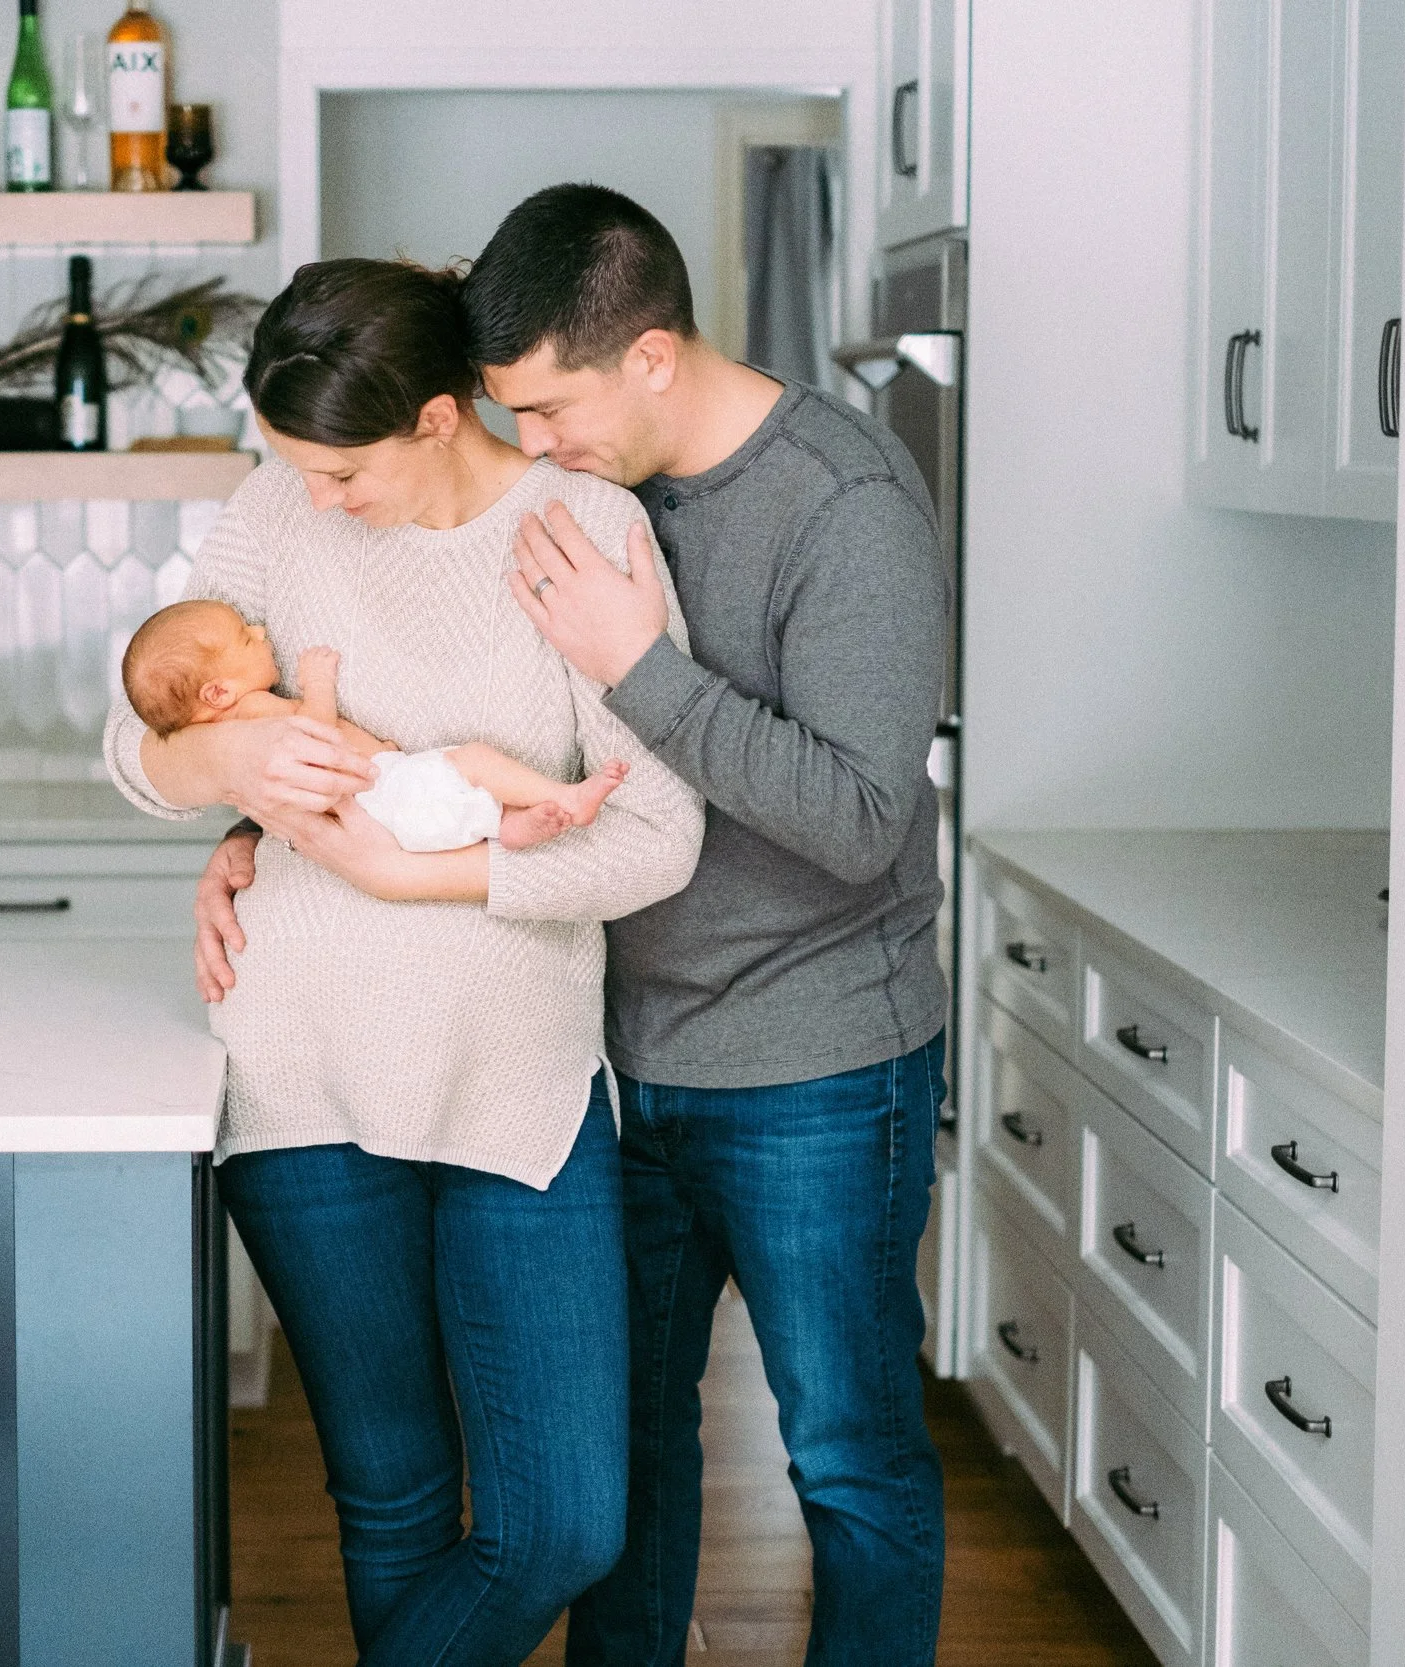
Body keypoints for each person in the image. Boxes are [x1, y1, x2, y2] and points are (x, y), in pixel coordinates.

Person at [190, 187, 953, 1667]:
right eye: (506, 411)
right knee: (632, 1468)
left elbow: (863, 818)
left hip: (808, 1062)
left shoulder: (845, 507)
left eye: (548, 408)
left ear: (651, 356)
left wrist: (640, 667)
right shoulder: (595, 483)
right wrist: (251, 809)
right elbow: (419, 693)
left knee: (850, 1461)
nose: (529, 445)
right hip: (612, 1056)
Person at [101, 256, 705, 1666]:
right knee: (391, 1498)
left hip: (521, 1079)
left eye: (342, 472)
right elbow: (132, 743)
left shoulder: (582, 527)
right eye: (293, 466)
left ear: (441, 415)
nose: (315, 500)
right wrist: (229, 758)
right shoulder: (271, 510)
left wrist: (416, 870)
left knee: (562, 1520)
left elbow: (661, 833)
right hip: (300, 1069)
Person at [118, 598, 632, 851]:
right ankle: (561, 797)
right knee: (474, 761)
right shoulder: (250, 716)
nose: (259, 628)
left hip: (381, 801)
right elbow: (315, 738)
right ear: (218, 693)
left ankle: (509, 828)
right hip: (380, 797)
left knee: (459, 791)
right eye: (245, 638)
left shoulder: (239, 715)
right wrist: (317, 682)